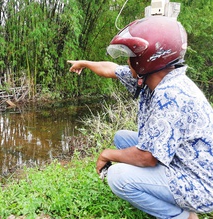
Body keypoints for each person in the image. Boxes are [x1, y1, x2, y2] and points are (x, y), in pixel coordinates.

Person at [68, 16, 213, 219]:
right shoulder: (156, 76)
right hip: (183, 159)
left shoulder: (171, 95)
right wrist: (85, 62)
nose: (128, 62)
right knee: (122, 137)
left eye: (132, 57)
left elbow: (148, 157)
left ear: (147, 59)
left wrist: (107, 155)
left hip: (200, 185)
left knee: (118, 177)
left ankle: (184, 216)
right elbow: (111, 69)